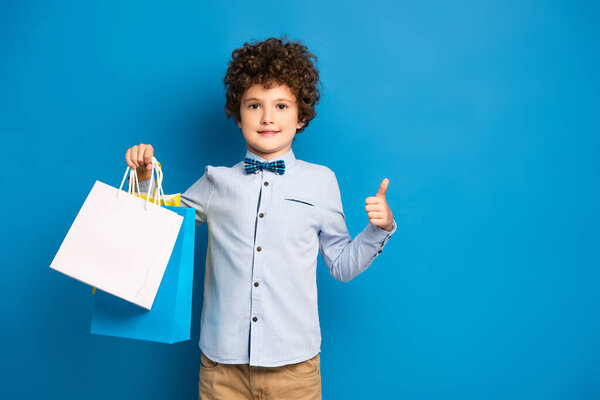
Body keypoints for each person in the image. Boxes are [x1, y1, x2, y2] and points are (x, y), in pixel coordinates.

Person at [125, 36, 397, 400]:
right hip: (222, 370)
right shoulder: (215, 181)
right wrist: (145, 177)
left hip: (295, 370)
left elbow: (342, 265)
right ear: (238, 115)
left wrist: (378, 229)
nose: (268, 117)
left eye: (281, 105)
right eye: (255, 105)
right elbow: (156, 230)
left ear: (300, 116)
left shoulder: (321, 182)